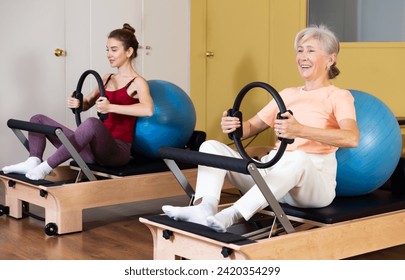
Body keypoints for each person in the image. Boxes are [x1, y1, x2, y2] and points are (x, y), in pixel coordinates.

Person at [162, 25, 360, 232]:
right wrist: (235, 126)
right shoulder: (286, 94)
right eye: (300, 50)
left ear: (331, 59)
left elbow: (352, 138)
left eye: (311, 50)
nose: (302, 57)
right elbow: (250, 128)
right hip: (271, 172)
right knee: (210, 146)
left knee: (298, 157)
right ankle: (205, 208)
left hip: (311, 184)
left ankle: (232, 214)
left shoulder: (339, 96)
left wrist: (300, 130)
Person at [2, 23, 153, 180]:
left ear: (129, 51)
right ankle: (33, 161)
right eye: (107, 50)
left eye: (114, 50)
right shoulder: (107, 78)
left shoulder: (137, 82)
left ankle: (46, 167)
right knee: (38, 119)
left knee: (92, 123)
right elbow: (87, 102)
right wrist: (78, 104)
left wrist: (111, 107)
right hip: (91, 150)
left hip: (116, 152)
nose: (109, 54)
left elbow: (148, 109)